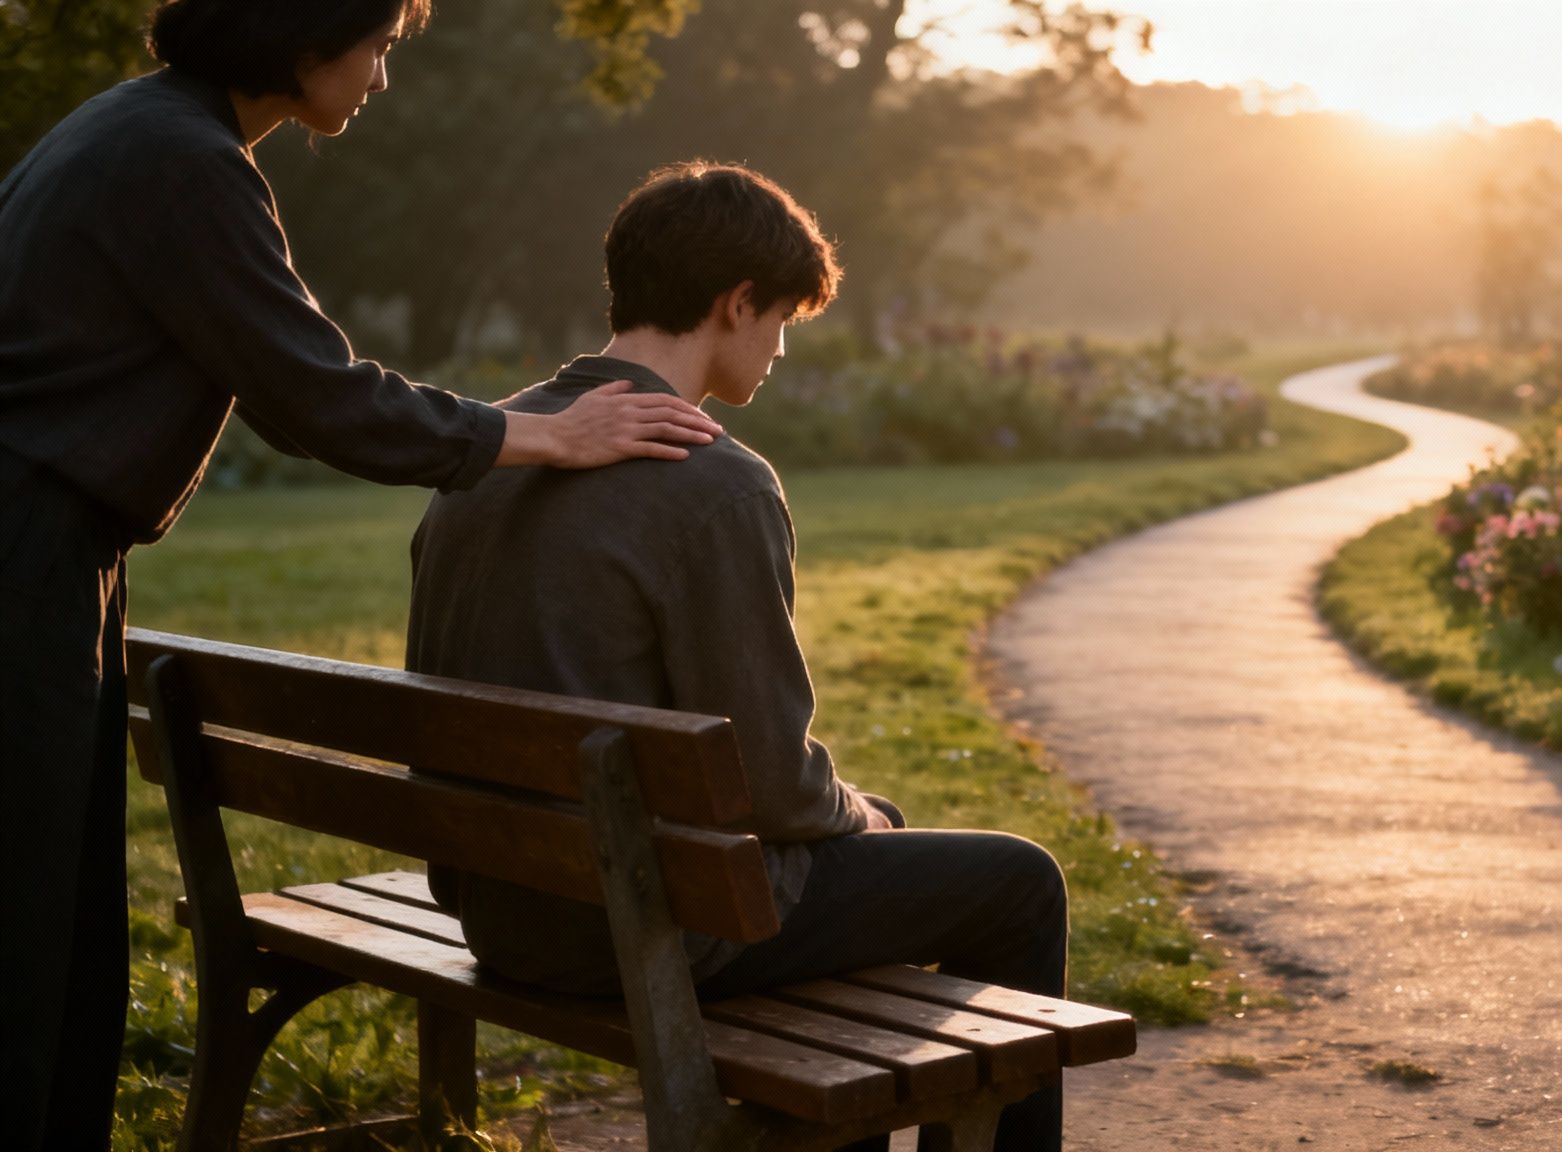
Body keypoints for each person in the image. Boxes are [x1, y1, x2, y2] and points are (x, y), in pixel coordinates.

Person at [0, 3, 724, 1146]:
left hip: (49, 548)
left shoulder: (136, 134)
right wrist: (541, 436)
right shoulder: (184, 162)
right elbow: (320, 395)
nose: (384, 78)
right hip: (22, 552)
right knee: (27, 921)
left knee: (62, 909)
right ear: (302, 41)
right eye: (379, 47)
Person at [406, 161, 1070, 1151]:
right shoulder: (715, 482)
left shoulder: (498, 447)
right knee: (1016, 882)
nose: (780, 349)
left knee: (856, 885)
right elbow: (771, 785)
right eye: (782, 321)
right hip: (629, 928)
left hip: (502, 912)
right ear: (736, 303)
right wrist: (863, 814)